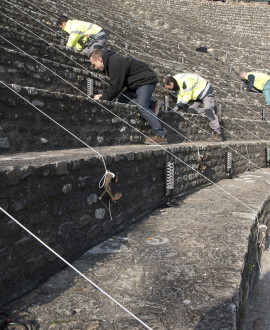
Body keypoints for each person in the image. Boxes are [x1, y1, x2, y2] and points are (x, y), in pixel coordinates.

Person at [89, 49, 168, 144]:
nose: (95, 67)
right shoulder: (111, 62)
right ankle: (152, 104)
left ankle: (161, 135)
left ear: (99, 59)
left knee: (142, 106)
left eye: (94, 64)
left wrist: (102, 99)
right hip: (135, 84)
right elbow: (115, 85)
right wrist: (104, 96)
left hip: (145, 81)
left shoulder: (115, 62)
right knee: (122, 100)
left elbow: (116, 86)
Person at [163, 73, 223, 141]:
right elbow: (180, 97)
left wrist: (176, 108)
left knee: (209, 111)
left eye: (169, 88)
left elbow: (187, 96)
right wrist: (177, 107)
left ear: (171, 83)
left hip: (205, 90)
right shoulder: (175, 83)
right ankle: (213, 110)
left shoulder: (186, 81)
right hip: (195, 95)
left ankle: (218, 134)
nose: (170, 90)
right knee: (190, 110)